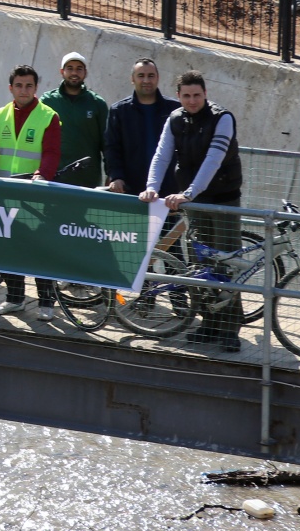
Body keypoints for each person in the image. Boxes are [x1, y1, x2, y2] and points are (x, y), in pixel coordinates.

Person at [140, 70, 244, 352]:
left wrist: (188, 193)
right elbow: (162, 154)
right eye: (186, 95)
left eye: (197, 94)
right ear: (178, 97)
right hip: (193, 201)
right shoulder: (175, 119)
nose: (192, 100)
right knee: (200, 266)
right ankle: (208, 324)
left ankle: (230, 328)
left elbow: (214, 159)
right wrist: (152, 187)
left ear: (206, 93)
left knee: (226, 262)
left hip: (222, 199)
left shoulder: (223, 118)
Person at [0, 64, 62, 320]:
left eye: (29, 85)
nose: (24, 90)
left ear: (36, 88)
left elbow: (51, 153)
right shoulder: (1, 115)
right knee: (9, 249)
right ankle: (15, 298)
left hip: (36, 196)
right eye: (19, 85)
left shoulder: (48, 116)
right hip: (6, 196)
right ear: (11, 88)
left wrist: (42, 176)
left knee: (40, 251)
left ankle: (46, 304)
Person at [104, 58, 178, 196]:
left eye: (151, 76)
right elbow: (111, 147)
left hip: (169, 190)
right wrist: (116, 176)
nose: (146, 80)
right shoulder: (119, 111)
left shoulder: (175, 110)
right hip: (130, 189)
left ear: (157, 78)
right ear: (132, 79)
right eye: (140, 76)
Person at [40, 52, 107, 189]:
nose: (74, 72)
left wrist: (111, 174)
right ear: (62, 71)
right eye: (69, 68)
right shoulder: (47, 101)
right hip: (52, 179)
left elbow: (107, 144)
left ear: (85, 72)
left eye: (79, 68)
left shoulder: (97, 103)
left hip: (88, 182)